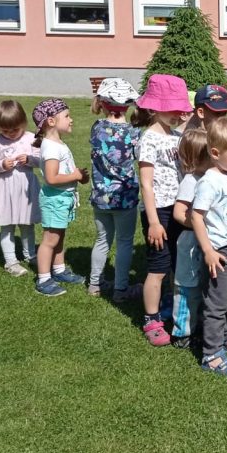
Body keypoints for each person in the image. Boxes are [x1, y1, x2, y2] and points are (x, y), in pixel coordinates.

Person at [135, 74, 192, 346]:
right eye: (172, 108)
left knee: (176, 263)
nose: (178, 113)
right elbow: (146, 185)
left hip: (178, 207)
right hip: (158, 210)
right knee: (158, 267)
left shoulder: (176, 135)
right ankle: (151, 318)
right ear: (154, 108)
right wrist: (154, 222)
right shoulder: (149, 139)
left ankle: (169, 304)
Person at [191, 117, 227, 376]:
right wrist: (208, 252)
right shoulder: (210, 181)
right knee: (216, 302)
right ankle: (211, 354)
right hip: (217, 251)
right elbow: (196, 216)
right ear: (215, 153)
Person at [88, 78, 143, 302]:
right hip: (125, 197)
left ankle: (95, 284)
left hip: (100, 196)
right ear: (127, 105)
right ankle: (121, 289)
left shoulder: (97, 128)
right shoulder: (133, 133)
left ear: (103, 103)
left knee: (102, 240)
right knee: (124, 242)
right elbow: (140, 159)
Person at [32, 98, 89, 297]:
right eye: (67, 116)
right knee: (50, 240)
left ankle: (59, 270)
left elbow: (64, 170)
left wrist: (78, 177)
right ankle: (44, 279)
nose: (71, 120)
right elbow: (51, 178)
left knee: (59, 237)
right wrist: (75, 176)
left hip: (62, 198)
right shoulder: (51, 148)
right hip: (55, 199)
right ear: (51, 121)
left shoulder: (57, 144)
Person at [0, 100, 41, 277]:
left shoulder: (31, 138)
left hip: (24, 189)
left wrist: (30, 160)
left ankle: (31, 255)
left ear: (23, 123)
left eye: (15, 129)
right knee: (7, 226)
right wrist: (1, 164)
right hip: (3, 189)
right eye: (5, 131)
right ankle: (11, 261)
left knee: (27, 224)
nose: (11, 134)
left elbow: (42, 160)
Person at [171, 127, 211, 352]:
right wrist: (199, 224)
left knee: (204, 286)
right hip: (190, 243)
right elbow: (179, 212)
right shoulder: (191, 180)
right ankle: (182, 332)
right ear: (196, 158)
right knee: (187, 289)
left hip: (206, 242)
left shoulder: (211, 177)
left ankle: (202, 327)